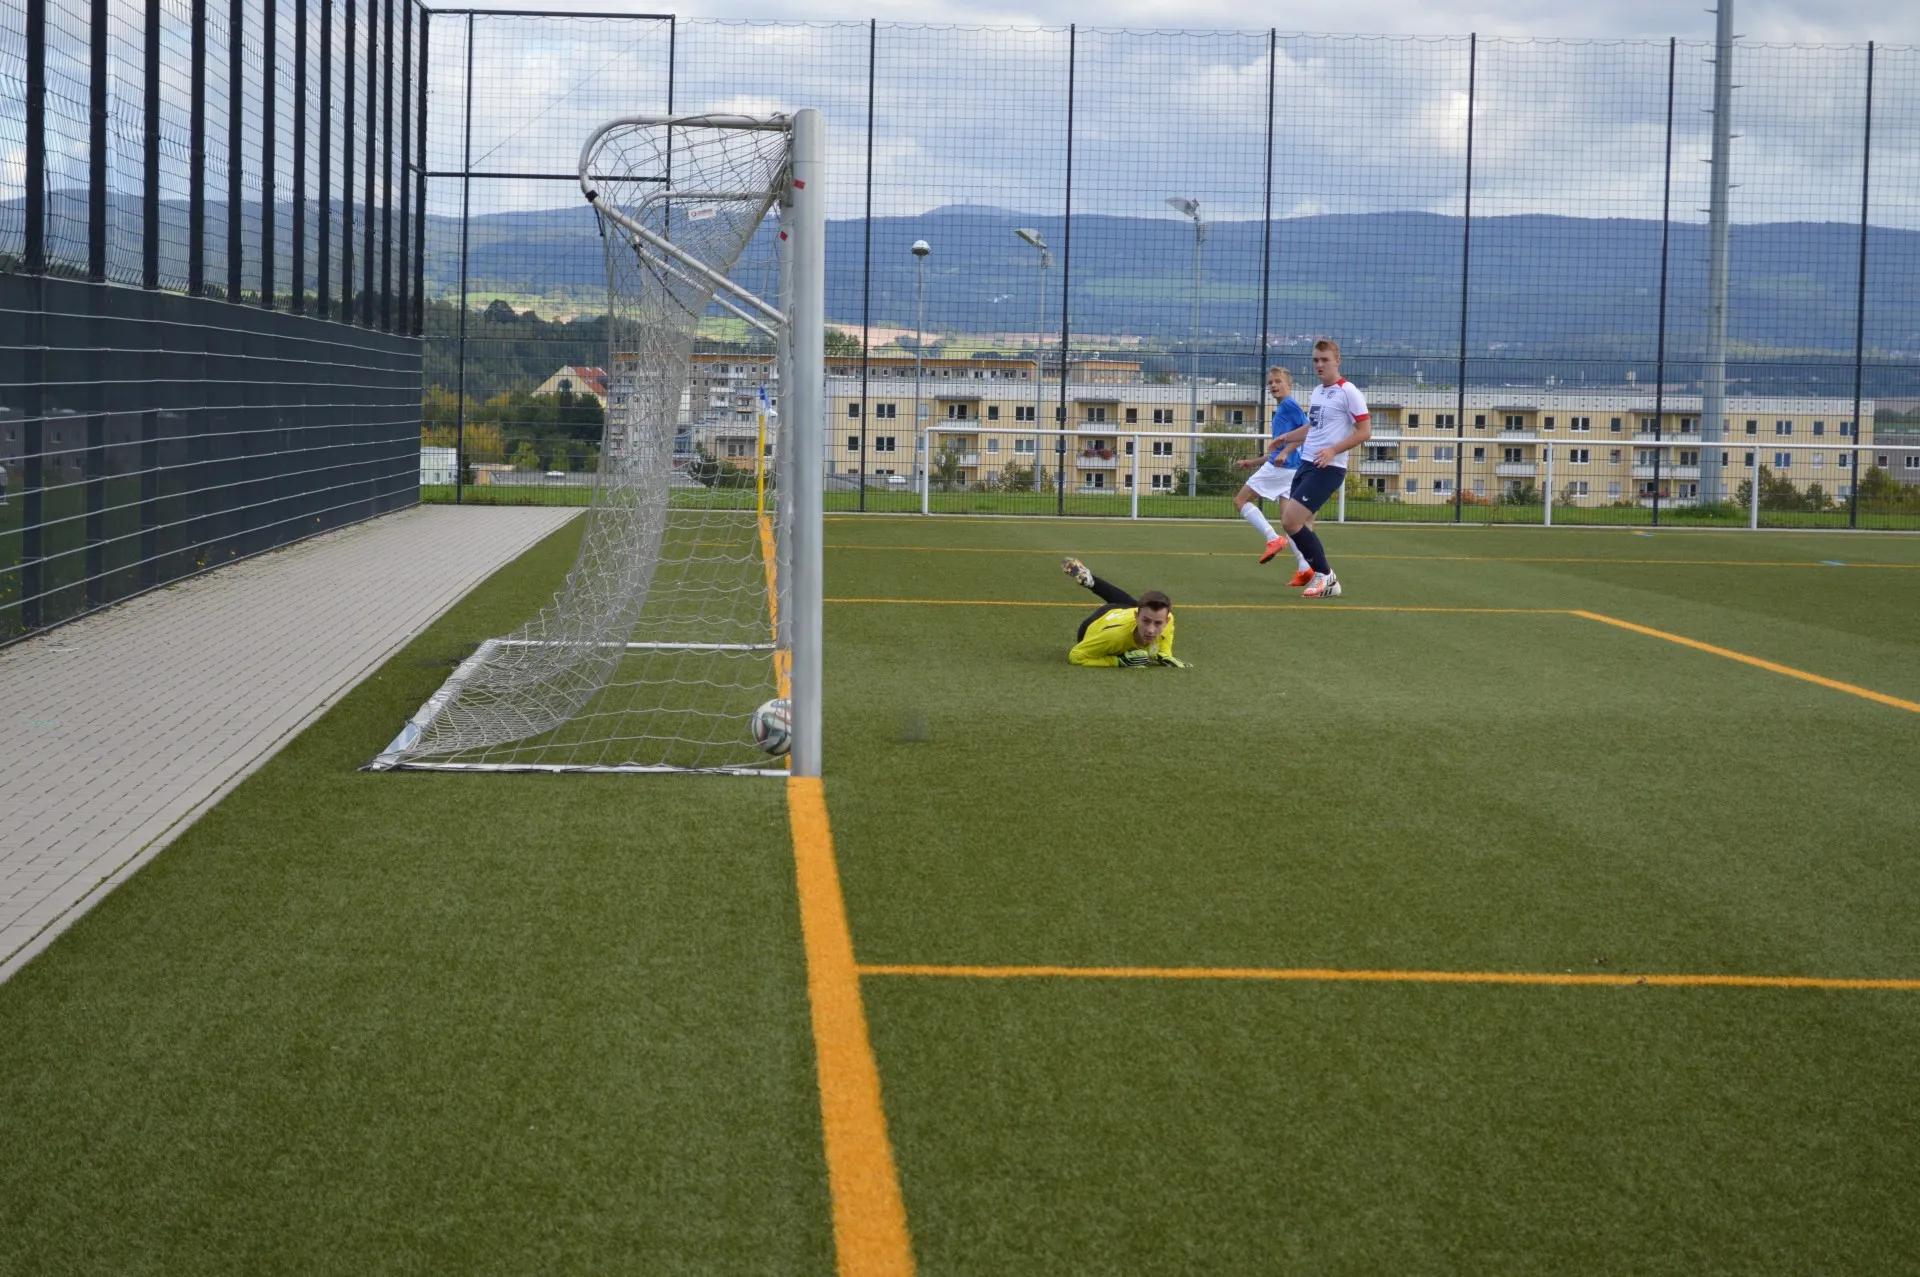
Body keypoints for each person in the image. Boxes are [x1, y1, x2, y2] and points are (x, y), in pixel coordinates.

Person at [1268, 338, 1369, 598]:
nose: (1319, 364)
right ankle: (1318, 575)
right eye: (1315, 360)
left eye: (1325, 360)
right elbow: (1313, 428)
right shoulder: (1317, 391)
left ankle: (1326, 575)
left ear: (1338, 361)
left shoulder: (1349, 392)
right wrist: (1286, 437)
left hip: (1328, 467)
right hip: (1306, 464)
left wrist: (1333, 450)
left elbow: (1365, 432)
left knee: (1290, 521)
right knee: (1301, 524)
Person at [1233, 365, 1316, 584]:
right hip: (1291, 470)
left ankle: (1272, 538)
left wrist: (1286, 452)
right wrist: (1252, 462)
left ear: (1289, 385)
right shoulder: (1283, 408)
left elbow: (1307, 432)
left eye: (1278, 381)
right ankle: (1305, 567)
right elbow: (1278, 450)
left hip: (1283, 468)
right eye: (1270, 382)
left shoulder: (1288, 405)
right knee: (1290, 522)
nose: (1273, 385)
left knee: (1240, 500)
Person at [1060, 558, 1189, 667]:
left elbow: (1166, 633)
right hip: (1095, 625)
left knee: (1141, 606)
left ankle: (1091, 581)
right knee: (1138, 608)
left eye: (1158, 623)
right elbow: (1076, 656)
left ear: (1166, 621)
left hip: (1123, 613)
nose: (1151, 630)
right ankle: (1092, 581)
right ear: (1136, 616)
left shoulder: (1168, 619)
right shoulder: (1114, 637)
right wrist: (1117, 661)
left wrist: (1165, 654)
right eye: (1146, 621)